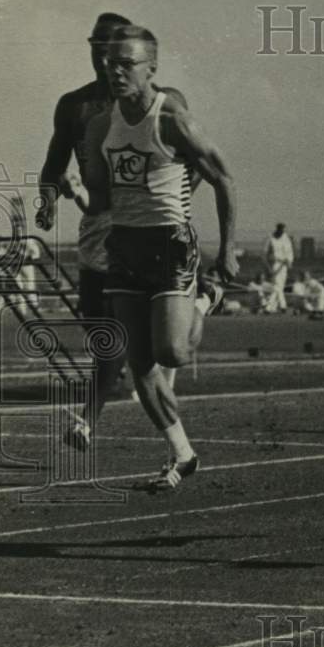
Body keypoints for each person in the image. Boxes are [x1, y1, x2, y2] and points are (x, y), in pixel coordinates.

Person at [83, 24, 237, 490]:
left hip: (169, 243)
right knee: (140, 363)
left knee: (172, 350)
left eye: (126, 63)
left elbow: (224, 180)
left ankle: (206, 298)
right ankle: (183, 451)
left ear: (152, 68)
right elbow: (100, 192)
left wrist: (227, 250)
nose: (115, 71)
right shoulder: (98, 126)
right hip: (125, 244)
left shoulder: (172, 120)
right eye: (109, 62)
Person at [35, 13, 192, 448]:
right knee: (98, 326)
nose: (103, 58)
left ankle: (88, 418)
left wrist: (175, 203)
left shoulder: (162, 102)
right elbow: (53, 165)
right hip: (96, 221)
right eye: (95, 47)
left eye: (111, 50)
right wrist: (46, 202)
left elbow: (194, 161)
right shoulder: (75, 105)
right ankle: (144, 369)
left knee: (120, 335)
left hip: (146, 224)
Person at [264, 222, 294, 314]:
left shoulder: (286, 239)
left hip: (284, 265)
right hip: (275, 263)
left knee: (279, 287)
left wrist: (289, 262)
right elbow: (265, 253)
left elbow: (289, 252)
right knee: (277, 286)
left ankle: (272, 307)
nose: (282, 232)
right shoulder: (271, 238)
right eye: (280, 230)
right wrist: (268, 267)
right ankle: (281, 306)